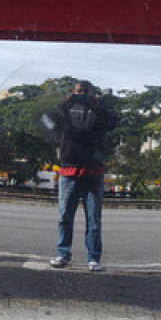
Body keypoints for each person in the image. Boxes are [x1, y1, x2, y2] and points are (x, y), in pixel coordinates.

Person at [45, 81, 117, 271]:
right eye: (79, 91)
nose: (82, 94)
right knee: (64, 217)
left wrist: (97, 105)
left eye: (86, 91)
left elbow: (113, 123)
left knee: (94, 220)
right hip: (69, 169)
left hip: (93, 171)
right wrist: (63, 103)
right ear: (73, 92)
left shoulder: (101, 107)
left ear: (93, 93)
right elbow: (49, 120)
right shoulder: (66, 107)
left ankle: (94, 259)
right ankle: (62, 254)